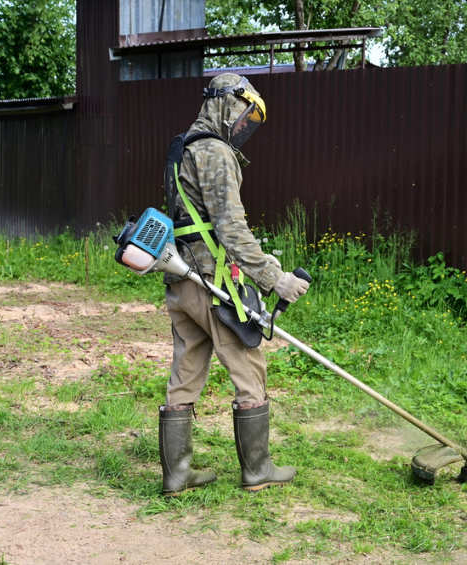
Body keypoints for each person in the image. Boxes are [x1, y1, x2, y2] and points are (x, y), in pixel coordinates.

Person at [159, 73, 309, 496]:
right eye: (245, 115)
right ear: (227, 104)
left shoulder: (180, 148)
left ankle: (176, 475)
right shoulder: (215, 152)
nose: (245, 127)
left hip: (180, 279)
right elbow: (230, 227)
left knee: (186, 370)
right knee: (249, 367)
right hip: (212, 282)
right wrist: (274, 279)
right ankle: (257, 470)